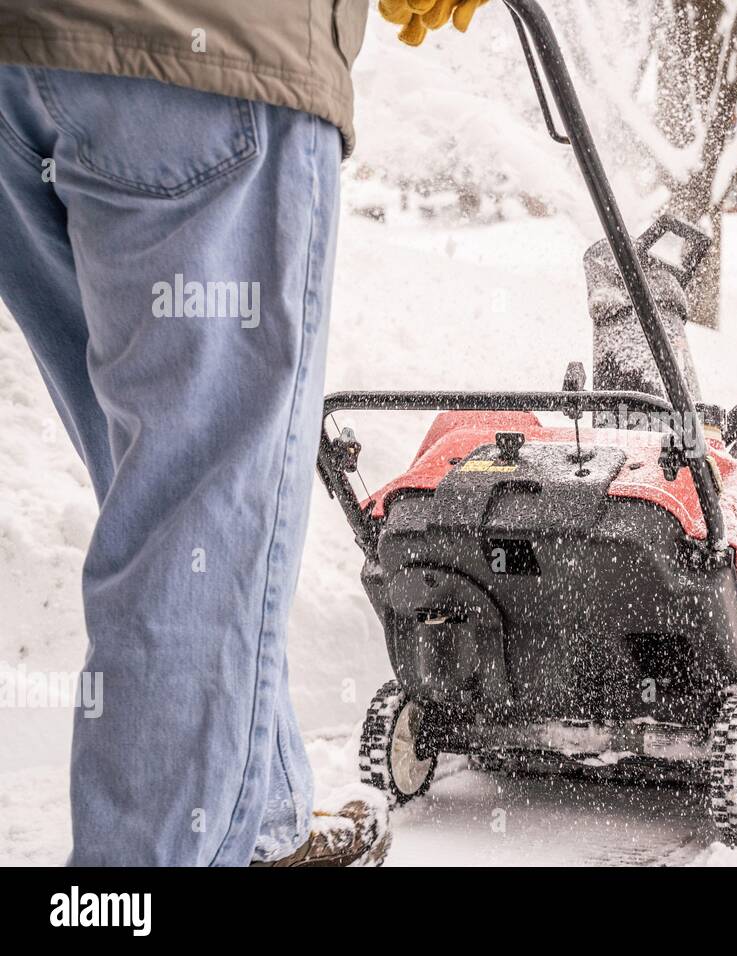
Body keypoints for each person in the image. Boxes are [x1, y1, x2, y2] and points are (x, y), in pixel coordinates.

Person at [0, 0, 488, 866]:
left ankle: (259, 820)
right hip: (199, 56)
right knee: (197, 509)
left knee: (155, 481)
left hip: (18, 61)